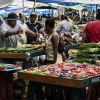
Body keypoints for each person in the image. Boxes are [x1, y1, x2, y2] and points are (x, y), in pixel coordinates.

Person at [82, 9, 100, 100]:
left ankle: (90, 95)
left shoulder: (89, 24)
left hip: (90, 54)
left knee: (91, 75)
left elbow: (84, 37)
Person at [44, 18, 63, 100]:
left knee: (57, 84)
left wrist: (54, 63)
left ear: (48, 26)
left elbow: (55, 49)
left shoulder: (54, 35)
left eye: (45, 26)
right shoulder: (48, 35)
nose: (45, 28)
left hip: (55, 61)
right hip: (49, 60)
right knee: (51, 83)